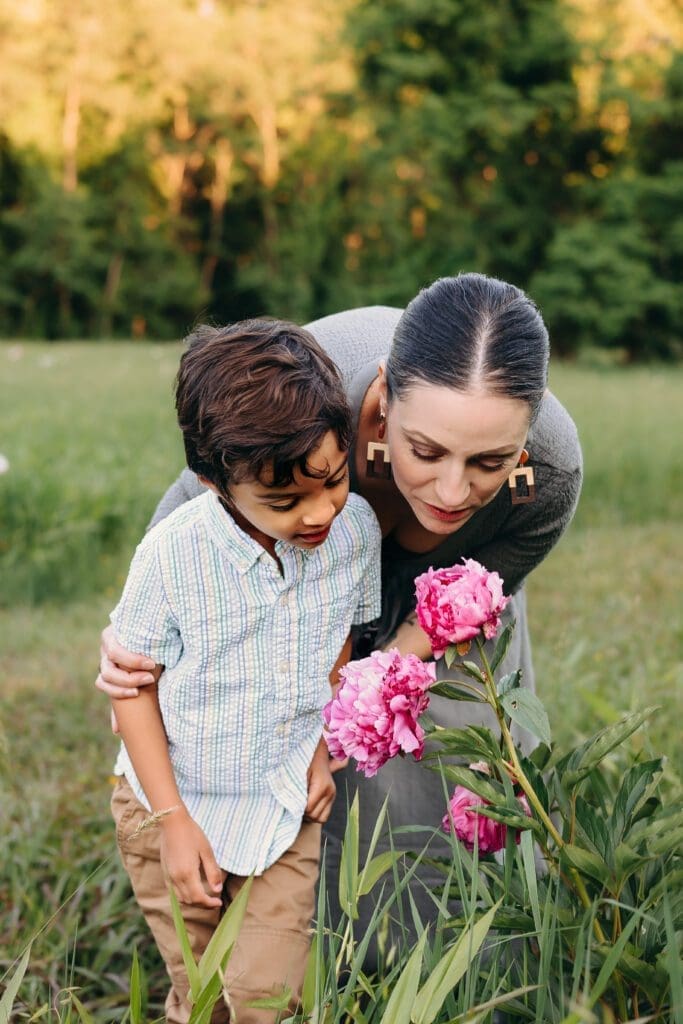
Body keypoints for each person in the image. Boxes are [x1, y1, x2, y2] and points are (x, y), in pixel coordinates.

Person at [99, 272, 582, 965]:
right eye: (426, 451)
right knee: (265, 731)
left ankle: (461, 965)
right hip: (298, 577)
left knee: (447, 761)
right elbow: (194, 516)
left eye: (488, 462)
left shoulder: (551, 478)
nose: (451, 491)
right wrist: (136, 639)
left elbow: (459, 609)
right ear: (382, 404)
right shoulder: (310, 397)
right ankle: (285, 936)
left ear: (527, 441)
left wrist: (372, 689)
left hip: (445, 603)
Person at [108, 319, 381, 1023]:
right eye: (285, 502)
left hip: (285, 799)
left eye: (333, 481)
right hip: (173, 800)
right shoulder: (172, 555)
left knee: (267, 994)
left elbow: (340, 643)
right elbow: (133, 685)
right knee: (202, 997)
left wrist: (321, 750)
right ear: (212, 484)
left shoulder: (356, 532)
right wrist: (170, 822)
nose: (320, 511)